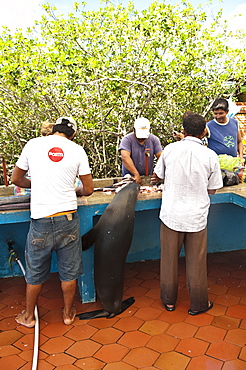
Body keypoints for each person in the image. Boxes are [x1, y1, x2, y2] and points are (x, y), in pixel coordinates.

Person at [11, 116, 94, 327]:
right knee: (69, 271)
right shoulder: (77, 150)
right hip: (67, 218)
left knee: (35, 273)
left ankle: (29, 316)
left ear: (53, 129)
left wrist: (37, 184)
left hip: (41, 221)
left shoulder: (33, 144)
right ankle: (67, 314)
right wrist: (75, 190)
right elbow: (89, 189)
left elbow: (16, 179)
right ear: (73, 134)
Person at [152, 113, 223, 315]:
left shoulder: (170, 150)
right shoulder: (210, 155)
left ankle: (169, 301)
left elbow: (159, 176)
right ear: (204, 132)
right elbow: (213, 189)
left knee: (169, 260)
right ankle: (199, 303)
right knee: (197, 262)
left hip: (171, 215)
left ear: (183, 131)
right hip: (196, 217)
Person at [119, 117, 162, 185]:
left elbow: (161, 157)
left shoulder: (154, 140)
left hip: (148, 177)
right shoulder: (127, 140)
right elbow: (125, 157)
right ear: (133, 129)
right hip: (130, 178)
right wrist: (135, 174)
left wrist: (159, 172)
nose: (142, 138)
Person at [207, 98, 244, 163]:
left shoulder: (234, 123)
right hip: (216, 166)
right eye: (216, 114)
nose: (218, 116)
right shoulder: (208, 126)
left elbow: (239, 142)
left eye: (221, 113)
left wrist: (241, 157)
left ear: (227, 111)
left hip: (233, 165)